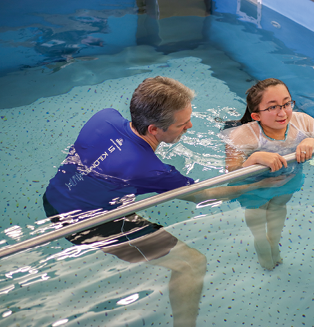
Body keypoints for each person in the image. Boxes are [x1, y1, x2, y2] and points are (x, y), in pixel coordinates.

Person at [43, 76, 289, 327]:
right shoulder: (148, 169)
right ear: (154, 129)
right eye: (182, 124)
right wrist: (258, 184)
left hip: (54, 195)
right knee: (191, 264)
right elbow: (201, 196)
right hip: (82, 221)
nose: (190, 126)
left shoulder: (104, 117)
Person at [221, 78, 314, 270]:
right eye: (272, 107)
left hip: (289, 178)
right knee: (258, 214)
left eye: (286, 103)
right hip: (255, 186)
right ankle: (261, 244)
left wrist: (313, 143)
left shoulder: (303, 122)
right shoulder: (242, 136)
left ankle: (274, 243)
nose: (282, 113)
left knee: (278, 208)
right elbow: (232, 177)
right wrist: (253, 159)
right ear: (256, 116)